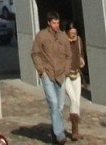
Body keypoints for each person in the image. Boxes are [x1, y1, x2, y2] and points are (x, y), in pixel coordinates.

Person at [30, 9, 72, 145]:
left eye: (57, 22)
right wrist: (41, 70)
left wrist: (66, 71)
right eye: (54, 23)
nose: (56, 25)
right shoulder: (41, 36)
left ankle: (55, 132)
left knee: (60, 106)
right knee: (53, 103)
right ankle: (59, 134)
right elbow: (35, 53)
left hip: (61, 75)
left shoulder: (63, 36)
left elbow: (68, 55)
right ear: (49, 23)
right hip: (47, 74)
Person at [63, 21, 86, 140]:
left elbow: (80, 52)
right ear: (67, 32)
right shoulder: (63, 41)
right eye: (71, 33)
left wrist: (82, 59)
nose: (73, 35)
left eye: (75, 33)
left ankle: (75, 129)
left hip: (77, 74)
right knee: (72, 99)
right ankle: (74, 132)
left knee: (77, 101)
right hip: (66, 75)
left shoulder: (79, 40)